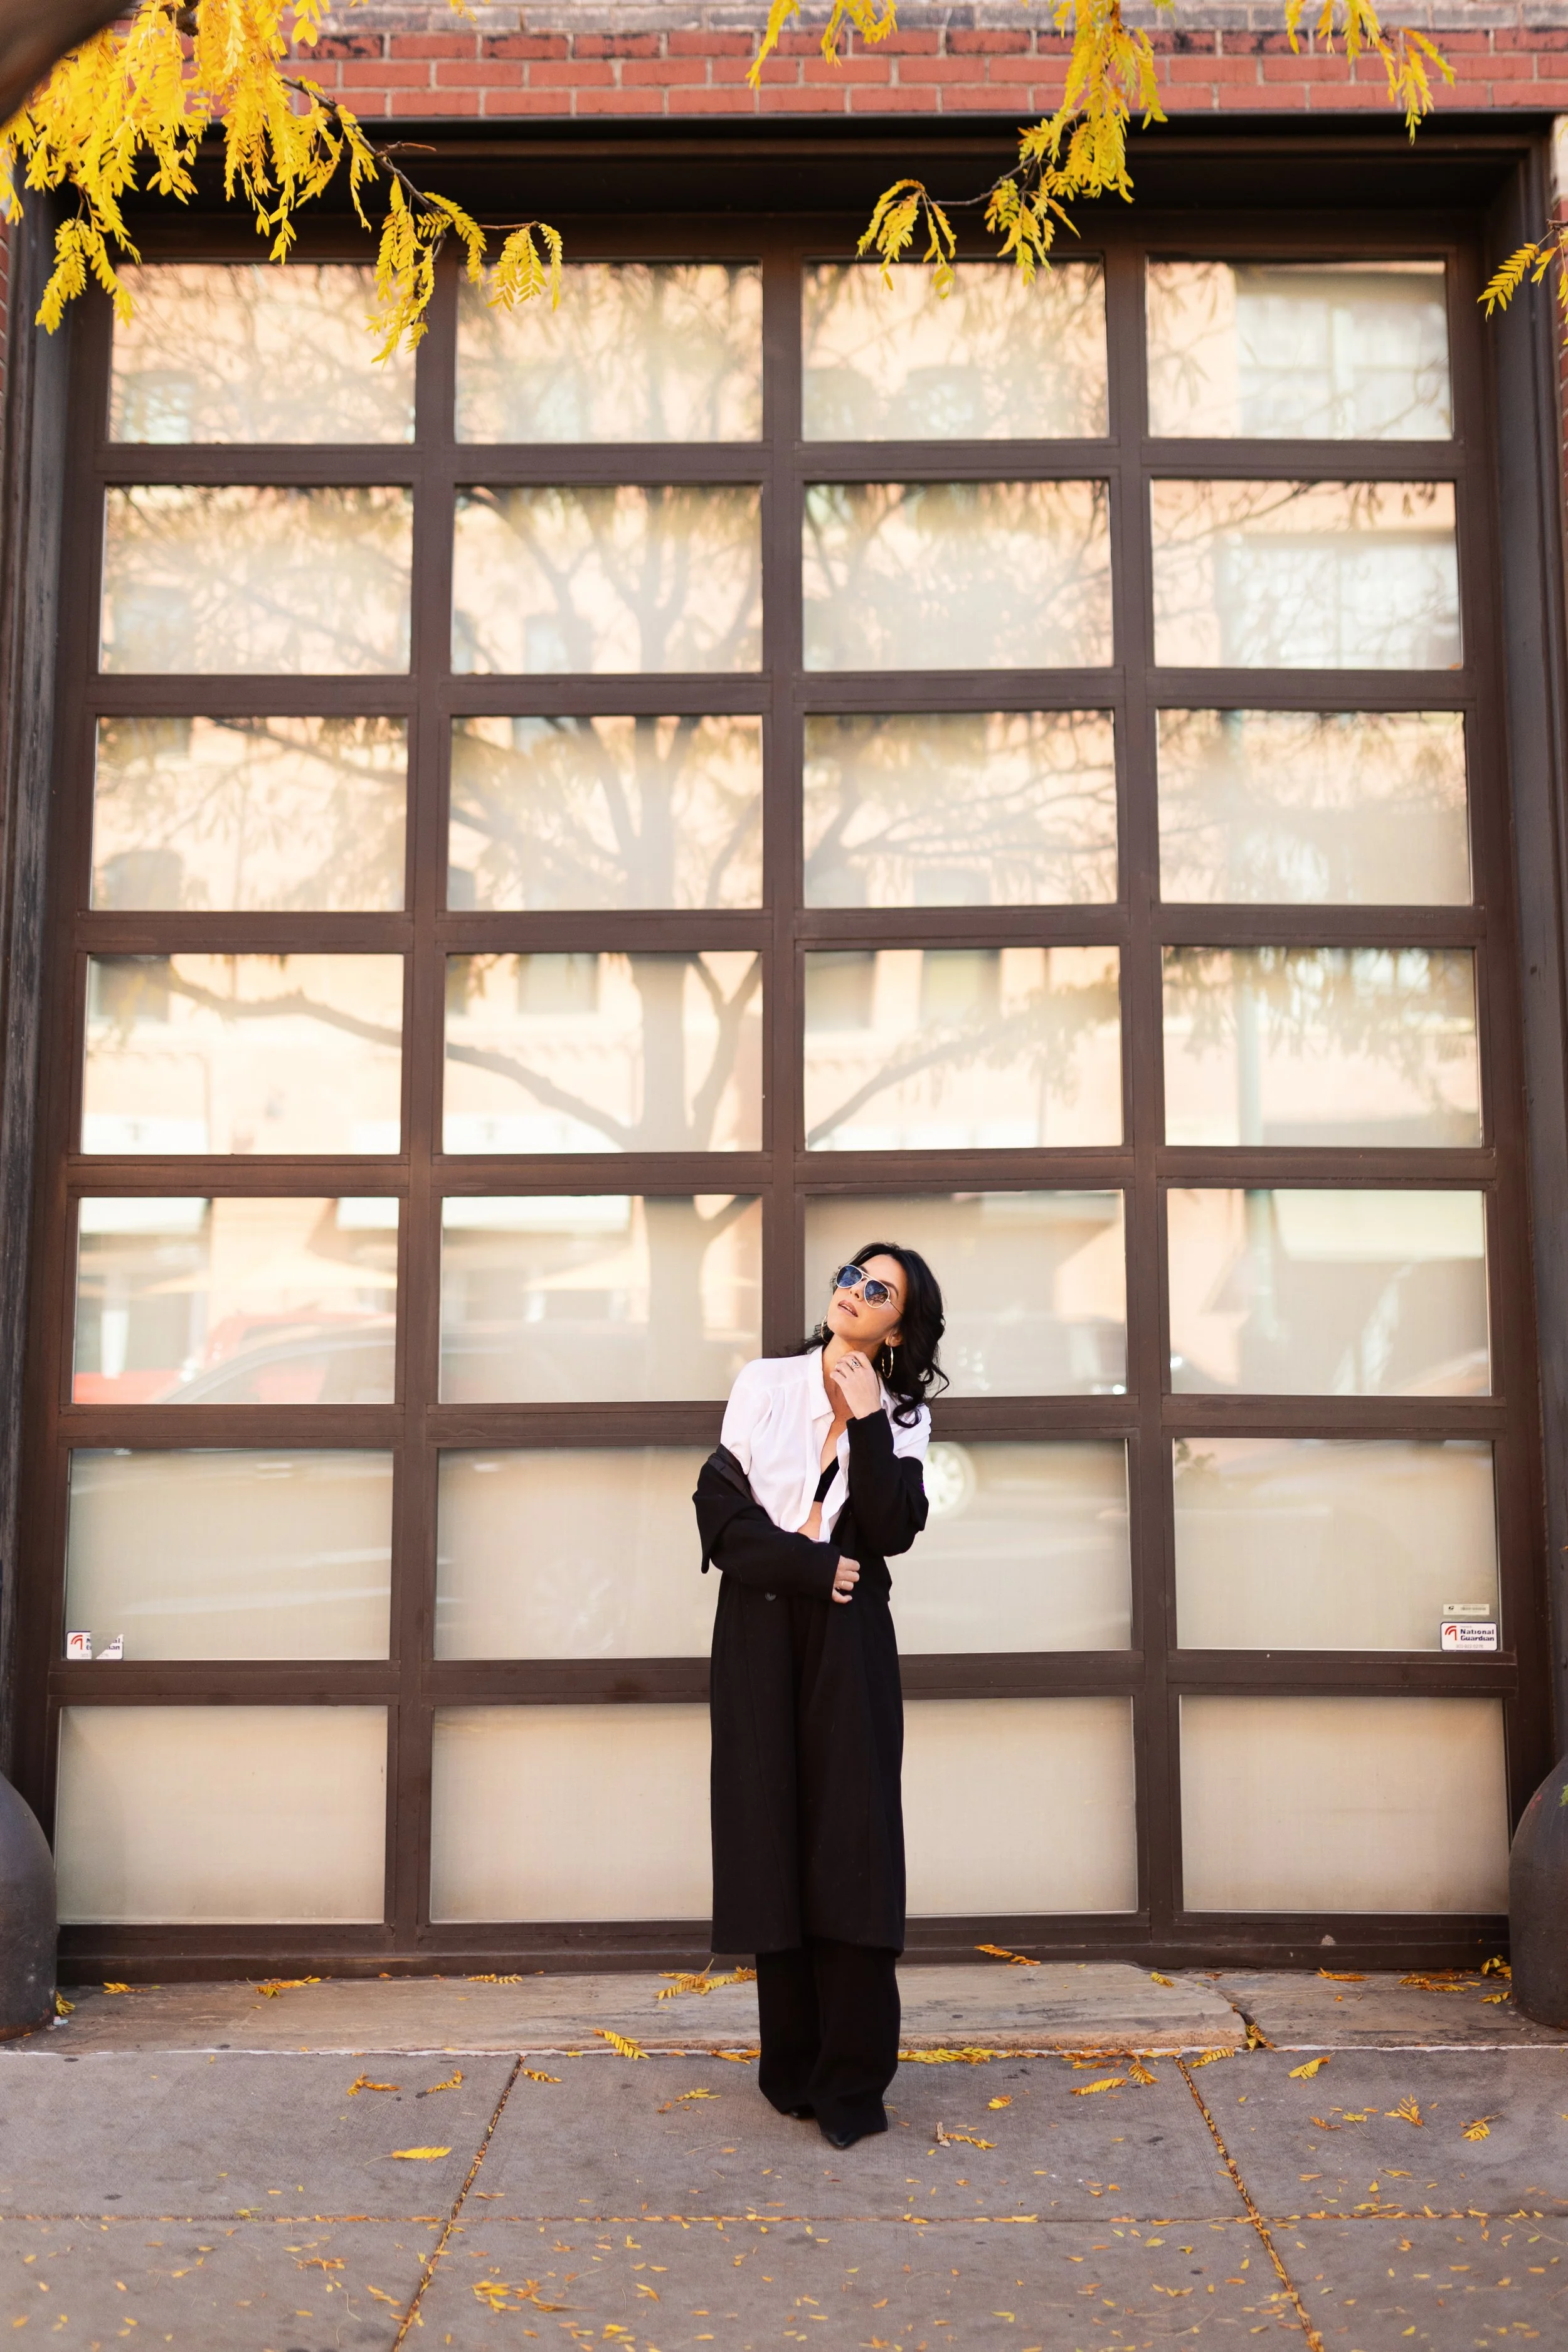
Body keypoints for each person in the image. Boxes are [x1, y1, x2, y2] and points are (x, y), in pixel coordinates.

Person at [693, 1244, 946, 2149]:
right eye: (852, 1275)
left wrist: (871, 1421)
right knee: (772, 1836)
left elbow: (889, 1528)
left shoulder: (905, 1413)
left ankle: (850, 2082)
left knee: (853, 1843)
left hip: (850, 1640)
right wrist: (812, 1565)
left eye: (879, 1290)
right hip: (761, 1630)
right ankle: (790, 2068)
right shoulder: (763, 1382)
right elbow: (719, 1521)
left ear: (899, 1326)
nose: (855, 1291)